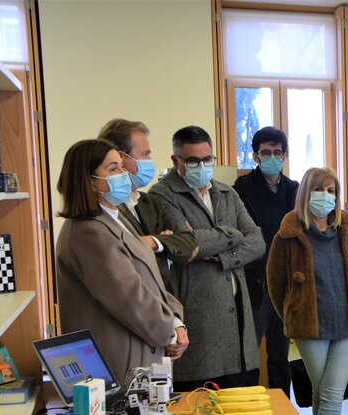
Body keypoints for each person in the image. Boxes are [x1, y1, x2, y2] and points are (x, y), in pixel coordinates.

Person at [54, 139, 187, 384]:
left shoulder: (114, 218)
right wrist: (169, 333)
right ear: (89, 181)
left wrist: (177, 323)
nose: (123, 175)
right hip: (118, 363)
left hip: (142, 354)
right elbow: (129, 297)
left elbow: (151, 282)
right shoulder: (88, 231)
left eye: (122, 167)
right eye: (113, 169)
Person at [266, 167, 348, 415]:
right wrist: (293, 314)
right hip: (310, 327)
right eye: (319, 190)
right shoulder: (288, 235)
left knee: (333, 389)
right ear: (305, 194)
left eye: (331, 191)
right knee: (321, 388)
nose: (326, 197)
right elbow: (275, 284)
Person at [147, 126, 265, 391]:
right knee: (200, 405)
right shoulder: (162, 195)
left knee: (242, 403)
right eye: (192, 161)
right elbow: (184, 244)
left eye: (207, 159)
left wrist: (221, 256)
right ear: (176, 161)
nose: (201, 166)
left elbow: (257, 241)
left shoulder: (226, 193)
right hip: (199, 321)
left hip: (239, 322)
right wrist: (233, 234)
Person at [97, 119, 198, 295]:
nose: (150, 161)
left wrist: (152, 242)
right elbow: (125, 263)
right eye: (144, 155)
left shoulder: (150, 202)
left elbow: (189, 244)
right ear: (120, 157)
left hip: (165, 302)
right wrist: (165, 249)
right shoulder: (103, 209)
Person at [234, 126, 299, 397]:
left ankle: (283, 407)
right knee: (249, 354)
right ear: (255, 156)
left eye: (277, 152)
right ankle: (248, 404)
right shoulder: (242, 189)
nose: (272, 157)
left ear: (284, 155)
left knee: (280, 355)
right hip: (256, 283)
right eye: (265, 152)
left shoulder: (294, 189)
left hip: (285, 284)